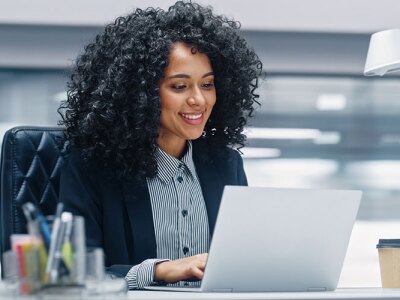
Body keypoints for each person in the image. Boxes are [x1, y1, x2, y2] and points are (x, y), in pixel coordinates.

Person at [58, 0, 262, 290]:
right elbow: (72, 271)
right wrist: (158, 270)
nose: (199, 100)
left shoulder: (226, 165)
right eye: (179, 86)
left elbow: (243, 260)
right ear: (140, 93)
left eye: (207, 84)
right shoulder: (91, 166)